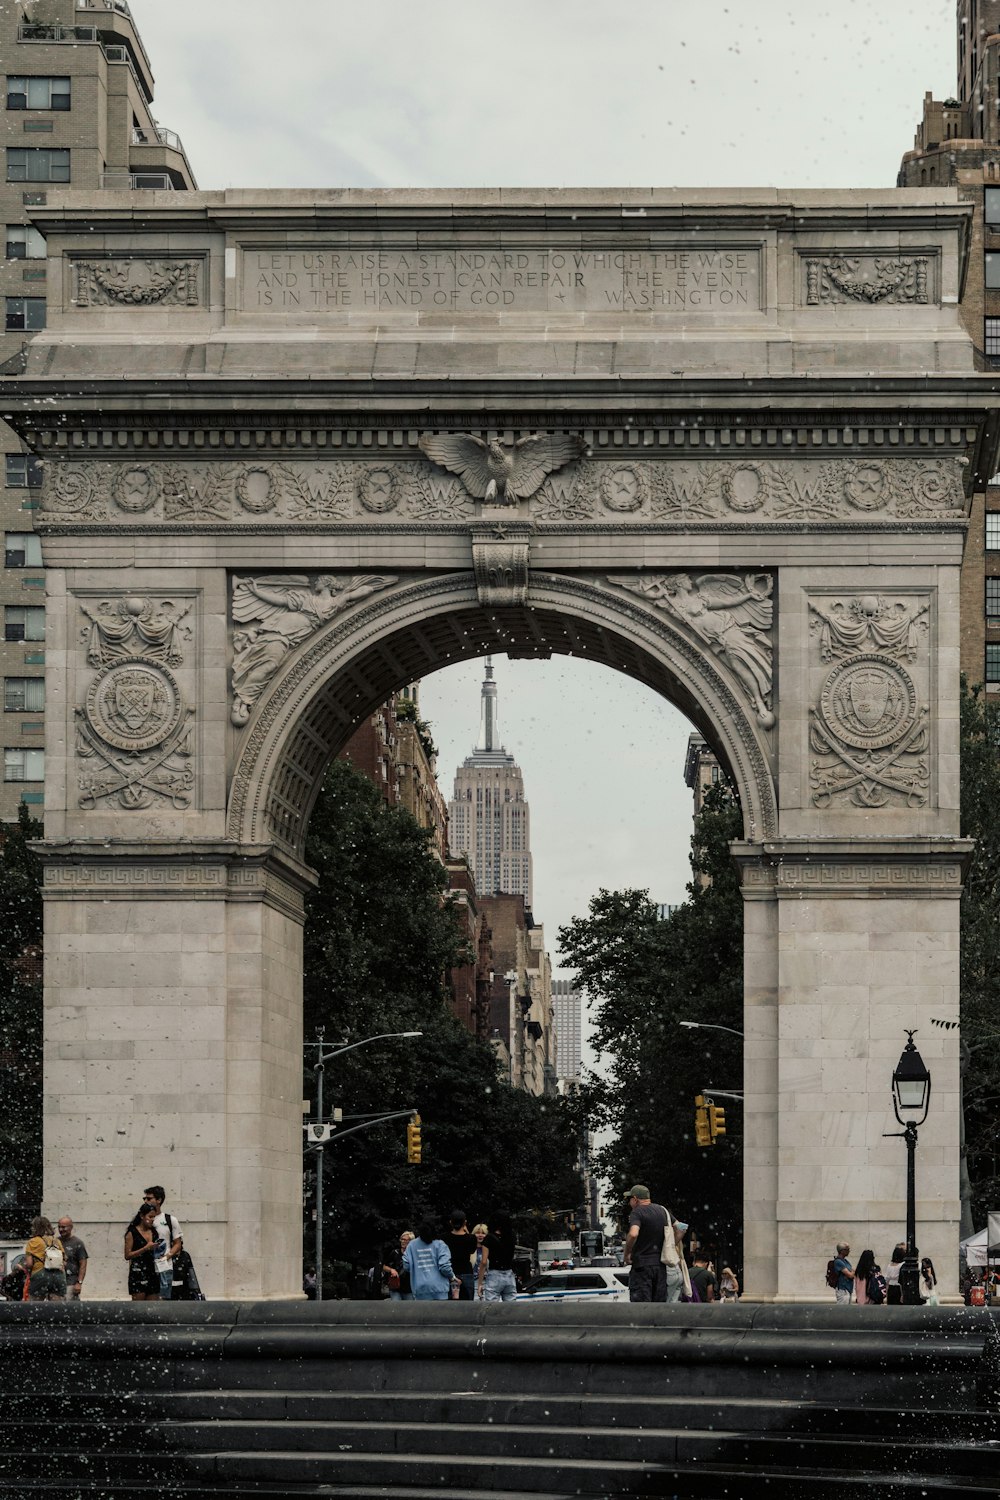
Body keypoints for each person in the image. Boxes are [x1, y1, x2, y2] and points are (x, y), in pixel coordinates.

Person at [622, 1185, 682, 1303]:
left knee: (642, 1308)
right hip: (660, 1267)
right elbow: (681, 1228)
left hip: (641, 1267)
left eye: (630, 1200)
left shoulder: (637, 1212)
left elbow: (633, 1233)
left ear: (635, 1199)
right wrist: (671, 1245)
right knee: (658, 1307)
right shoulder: (662, 1210)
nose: (630, 1203)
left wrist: (627, 1254)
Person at [143, 1185, 182, 1301]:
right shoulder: (142, 1219)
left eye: (149, 1198)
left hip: (164, 1267)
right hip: (146, 1266)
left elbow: (177, 1243)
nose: (146, 1201)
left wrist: (167, 1257)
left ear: (159, 1200)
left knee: (163, 1301)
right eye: (144, 1199)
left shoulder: (170, 1220)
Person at [403, 1221, 456, 1301]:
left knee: (423, 1313)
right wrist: (452, 1277)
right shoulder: (440, 1244)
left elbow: (406, 1266)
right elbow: (444, 1267)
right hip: (439, 1289)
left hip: (419, 1289)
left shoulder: (411, 1245)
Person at [24, 1215, 67, 1302]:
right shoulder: (56, 1241)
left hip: (40, 1274)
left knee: (35, 1306)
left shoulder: (33, 1241)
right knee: (58, 1307)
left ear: (35, 1228)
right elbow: (64, 1260)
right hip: (58, 1275)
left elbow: (29, 1264)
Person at [125, 1202, 160, 1300]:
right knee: (139, 1308)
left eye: (154, 1217)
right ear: (142, 1216)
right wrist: (145, 1248)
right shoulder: (132, 1233)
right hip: (138, 1272)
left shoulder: (154, 1231)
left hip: (152, 1271)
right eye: (150, 1217)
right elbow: (127, 1255)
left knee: (153, 1308)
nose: (152, 1220)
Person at [482, 1213, 518, 1303]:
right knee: (511, 1307)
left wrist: (479, 1283)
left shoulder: (489, 1238)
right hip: (509, 1273)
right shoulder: (511, 1237)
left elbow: (483, 1261)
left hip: (494, 1273)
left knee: (491, 1307)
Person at [443, 1210, 476, 1301]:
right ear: (465, 1222)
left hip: (451, 1271)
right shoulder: (471, 1238)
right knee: (468, 1304)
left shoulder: (444, 1238)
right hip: (466, 1271)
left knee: (449, 1305)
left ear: (451, 1222)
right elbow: (472, 1251)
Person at [57, 1215, 88, 1300]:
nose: (60, 1230)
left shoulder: (78, 1243)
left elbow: (83, 1264)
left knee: (69, 1309)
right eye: (59, 1227)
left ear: (71, 1227)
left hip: (71, 1283)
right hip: (56, 1283)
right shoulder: (55, 1242)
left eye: (63, 1227)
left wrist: (79, 1283)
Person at [384, 1230, 415, 1301]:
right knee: (396, 1309)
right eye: (402, 1239)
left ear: (411, 1241)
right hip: (395, 1288)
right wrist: (391, 1270)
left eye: (405, 1240)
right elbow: (384, 1266)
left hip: (409, 1289)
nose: (402, 1241)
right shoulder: (395, 1252)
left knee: (409, 1311)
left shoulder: (414, 1254)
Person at [471, 1223, 490, 1299]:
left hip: (488, 1282)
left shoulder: (490, 1249)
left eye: (483, 1233)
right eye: (477, 1233)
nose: (480, 1235)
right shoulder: (470, 1249)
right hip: (474, 1282)